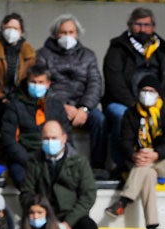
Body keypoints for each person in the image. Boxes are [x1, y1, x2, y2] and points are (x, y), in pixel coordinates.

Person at [102, 7, 165, 173]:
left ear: (153, 27)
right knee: (121, 115)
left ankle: (159, 156)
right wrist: (135, 106)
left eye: (147, 25)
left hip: (156, 101)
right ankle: (121, 164)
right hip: (124, 102)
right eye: (138, 24)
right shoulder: (117, 47)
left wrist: (162, 104)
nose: (143, 29)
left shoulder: (162, 48)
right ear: (130, 25)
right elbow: (114, 82)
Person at [20, 119, 100, 229]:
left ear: (64, 138)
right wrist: (40, 211)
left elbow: (88, 194)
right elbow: (26, 192)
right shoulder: (34, 161)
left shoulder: (79, 161)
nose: (50, 142)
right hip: (43, 216)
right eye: (46, 139)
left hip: (71, 217)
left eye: (54, 138)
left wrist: (69, 222)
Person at [104, 76, 165, 229]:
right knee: (148, 174)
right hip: (139, 161)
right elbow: (125, 141)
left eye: (151, 91)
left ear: (158, 94)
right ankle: (152, 225)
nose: (147, 94)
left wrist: (155, 153)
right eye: (144, 90)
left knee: (145, 167)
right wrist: (134, 155)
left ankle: (124, 201)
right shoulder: (130, 114)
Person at [36, 14, 107, 172]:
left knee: (100, 121)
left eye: (71, 32)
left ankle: (97, 167)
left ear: (77, 33)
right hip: (55, 105)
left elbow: (95, 84)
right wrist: (62, 106)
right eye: (63, 32)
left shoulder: (88, 55)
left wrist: (84, 108)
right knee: (58, 123)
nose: (68, 36)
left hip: (83, 106)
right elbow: (41, 85)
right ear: (55, 34)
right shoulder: (42, 55)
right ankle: (71, 166)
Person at [1, 63, 68, 187]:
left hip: (53, 158)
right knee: (27, 183)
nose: (37, 86)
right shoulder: (15, 105)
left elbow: (66, 135)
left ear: (48, 84)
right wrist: (30, 161)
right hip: (23, 160)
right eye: (33, 82)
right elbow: (9, 140)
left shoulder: (56, 105)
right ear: (27, 83)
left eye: (41, 82)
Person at [0, 13, 36, 158]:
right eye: (8, 27)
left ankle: (23, 155)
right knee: (4, 111)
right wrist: (1, 97)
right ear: (2, 28)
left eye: (16, 28)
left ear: (22, 32)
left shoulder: (29, 54)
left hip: (19, 99)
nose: (11, 31)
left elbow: (31, 80)